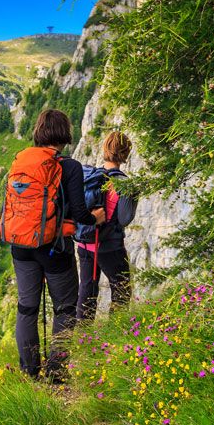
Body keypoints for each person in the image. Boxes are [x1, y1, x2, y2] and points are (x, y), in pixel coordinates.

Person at [8, 109, 104, 381]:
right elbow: (79, 212)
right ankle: (56, 371)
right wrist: (95, 218)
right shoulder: (68, 166)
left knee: (27, 307)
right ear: (64, 133)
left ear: (39, 131)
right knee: (64, 307)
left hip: (21, 245)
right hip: (55, 247)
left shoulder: (22, 160)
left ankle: (29, 372)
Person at [76, 131, 138, 321]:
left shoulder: (90, 176)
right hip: (110, 246)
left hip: (85, 244)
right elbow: (125, 219)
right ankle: (115, 335)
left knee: (87, 292)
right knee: (121, 289)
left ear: (105, 149)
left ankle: (82, 339)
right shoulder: (124, 183)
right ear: (125, 154)